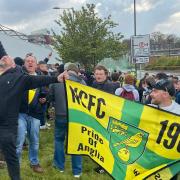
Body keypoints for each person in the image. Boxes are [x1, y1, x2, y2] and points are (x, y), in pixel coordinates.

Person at [0, 41, 64, 180]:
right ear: (24, 63)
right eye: (27, 61)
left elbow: (45, 89)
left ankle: (34, 162)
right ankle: (14, 162)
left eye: (32, 61)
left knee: (34, 140)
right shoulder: (18, 74)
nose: (30, 63)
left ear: (36, 64)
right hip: (20, 113)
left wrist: (44, 98)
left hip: (35, 113)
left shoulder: (41, 76)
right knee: (19, 138)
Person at [49, 63, 85, 178]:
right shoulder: (82, 82)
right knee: (76, 142)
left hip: (60, 115)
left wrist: (56, 104)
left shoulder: (57, 81)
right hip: (76, 117)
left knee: (59, 140)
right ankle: (77, 171)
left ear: (66, 70)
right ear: (76, 71)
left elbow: (50, 97)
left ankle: (59, 166)